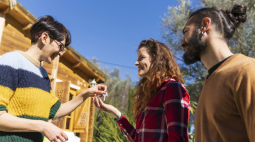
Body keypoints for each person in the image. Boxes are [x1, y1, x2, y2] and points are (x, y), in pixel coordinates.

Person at [0, 15, 107, 142]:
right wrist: (42, 126)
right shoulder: (11, 62)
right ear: (44, 38)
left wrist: (87, 93)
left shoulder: (42, 74)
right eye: (60, 46)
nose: (61, 53)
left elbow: (56, 111)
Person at [181, 3, 254, 142]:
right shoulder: (209, 84)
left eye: (186, 32)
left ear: (204, 25)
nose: (182, 42)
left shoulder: (246, 71)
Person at [93, 38, 190, 142]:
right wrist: (115, 113)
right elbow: (138, 139)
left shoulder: (172, 88)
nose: (136, 63)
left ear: (156, 59)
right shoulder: (150, 95)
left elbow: (177, 138)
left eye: (141, 58)